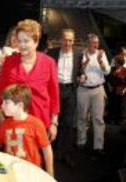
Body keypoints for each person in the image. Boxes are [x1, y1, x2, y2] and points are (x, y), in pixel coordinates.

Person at [0, 19, 60, 142]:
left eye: (26, 41)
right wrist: (2, 117)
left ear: (36, 42)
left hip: (40, 121)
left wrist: (54, 122)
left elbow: (54, 94)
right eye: (19, 41)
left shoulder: (49, 63)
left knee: (36, 158)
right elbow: (2, 91)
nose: (22, 45)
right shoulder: (9, 62)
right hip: (13, 121)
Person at [0, 84, 54, 176]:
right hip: (11, 170)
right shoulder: (5, 124)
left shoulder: (36, 124)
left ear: (19, 105)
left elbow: (47, 149)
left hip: (32, 171)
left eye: (6, 102)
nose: (2, 105)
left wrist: (50, 173)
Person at [47, 29, 84, 166]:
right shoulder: (52, 53)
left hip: (70, 91)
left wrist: (83, 76)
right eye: (65, 39)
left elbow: (80, 71)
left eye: (70, 40)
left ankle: (66, 153)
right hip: (54, 89)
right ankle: (52, 151)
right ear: (61, 39)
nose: (68, 43)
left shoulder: (79, 54)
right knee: (52, 122)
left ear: (73, 41)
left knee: (68, 123)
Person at [77, 33, 110, 157]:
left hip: (98, 89)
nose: (96, 45)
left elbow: (107, 71)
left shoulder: (102, 54)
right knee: (81, 117)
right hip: (83, 90)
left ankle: (98, 146)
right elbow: (78, 70)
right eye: (93, 42)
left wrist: (100, 60)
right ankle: (81, 141)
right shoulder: (81, 53)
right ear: (88, 43)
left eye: (97, 42)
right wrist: (84, 64)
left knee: (98, 119)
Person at [106, 55, 126, 124]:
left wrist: (124, 90)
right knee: (111, 106)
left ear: (119, 62)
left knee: (120, 107)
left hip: (121, 92)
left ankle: (118, 120)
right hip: (112, 91)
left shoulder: (125, 70)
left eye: (116, 61)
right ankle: (111, 119)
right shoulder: (112, 69)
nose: (114, 63)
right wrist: (109, 86)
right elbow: (108, 79)